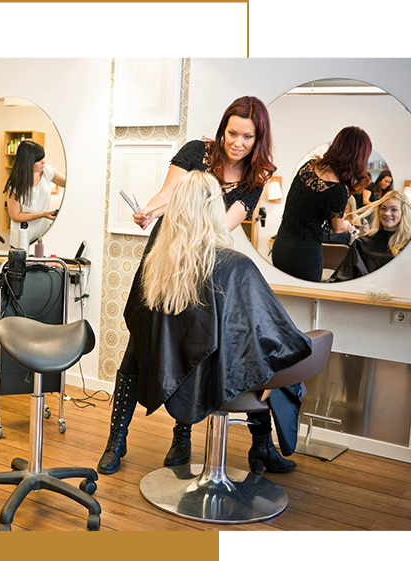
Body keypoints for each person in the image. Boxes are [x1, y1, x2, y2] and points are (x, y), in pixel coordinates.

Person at [98, 96, 285, 475]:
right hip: (164, 262)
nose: (237, 142)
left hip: (202, 269)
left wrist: (194, 230)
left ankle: (181, 437)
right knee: (137, 352)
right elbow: (168, 196)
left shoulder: (255, 179)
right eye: (233, 132)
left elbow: (222, 227)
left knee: (191, 349)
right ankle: (116, 441)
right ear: (223, 128)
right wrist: (150, 210)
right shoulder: (197, 152)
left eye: (247, 137)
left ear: (258, 138)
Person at [125, 171, 313, 474]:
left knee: (251, 345)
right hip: (224, 372)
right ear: (215, 208)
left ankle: (211, 440)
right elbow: (270, 331)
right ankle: (263, 444)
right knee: (272, 347)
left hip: (181, 372)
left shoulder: (157, 263)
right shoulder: (235, 264)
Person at [272, 126, 371, 282]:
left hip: (281, 245)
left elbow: (307, 206)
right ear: (359, 157)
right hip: (304, 255)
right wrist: (348, 226)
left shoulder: (308, 167)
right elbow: (337, 228)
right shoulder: (338, 190)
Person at [331, 190, 411, 281]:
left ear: (403, 213)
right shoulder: (362, 244)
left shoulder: (408, 245)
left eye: (394, 209)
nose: (387, 213)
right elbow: (344, 278)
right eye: (383, 208)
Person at [3, 140, 66, 247]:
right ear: (27, 162)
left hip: (43, 236)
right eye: (38, 160)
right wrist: (42, 214)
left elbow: (69, 184)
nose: (43, 162)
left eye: (42, 158)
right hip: (21, 240)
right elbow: (16, 216)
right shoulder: (14, 186)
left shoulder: (48, 172)